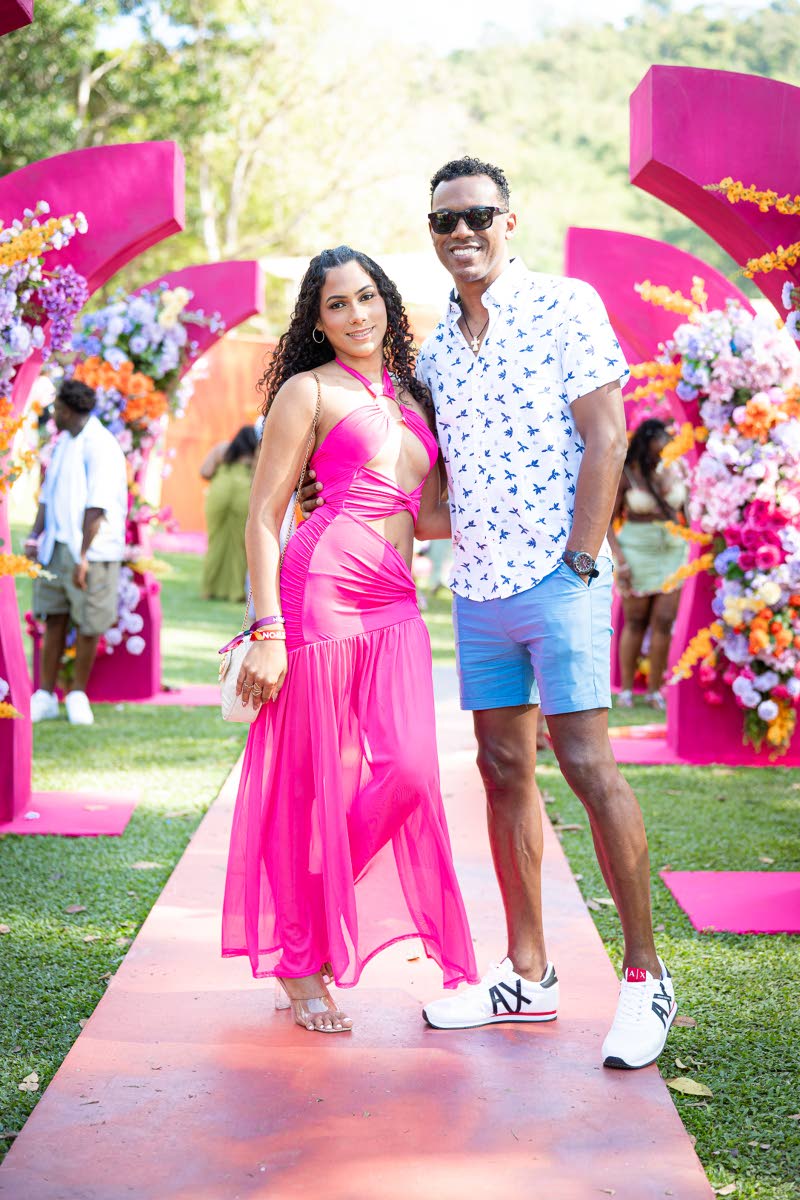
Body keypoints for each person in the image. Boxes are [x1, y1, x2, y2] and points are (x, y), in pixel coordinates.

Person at [301, 158, 676, 1069]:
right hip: (478, 589)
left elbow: (608, 436)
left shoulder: (566, 305)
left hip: (561, 581)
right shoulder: (431, 353)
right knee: (503, 768)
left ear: (511, 220)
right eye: (443, 222)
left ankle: (644, 980)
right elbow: (437, 485)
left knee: (586, 764)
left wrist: (584, 559)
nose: (460, 232)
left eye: (476, 215)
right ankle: (528, 975)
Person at [221, 246, 477, 1033]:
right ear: (318, 318)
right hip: (322, 590)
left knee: (408, 772)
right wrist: (268, 631)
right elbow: (266, 515)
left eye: (367, 298)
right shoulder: (309, 390)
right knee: (310, 778)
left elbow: (428, 515)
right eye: (338, 304)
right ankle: (301, 958)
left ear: (389, 304)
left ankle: (313, 893)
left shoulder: (413, 395)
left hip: (397, 600)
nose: (357, 315)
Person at [25, 378, 128, 726]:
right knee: (53, 617)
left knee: (88, 624)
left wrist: (83, 557)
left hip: (92, 551)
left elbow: (96, 508)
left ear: (66, 410)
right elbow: (46, 494)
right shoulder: (64, 442)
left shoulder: (101, 444)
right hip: (56, 546)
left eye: (55, 408)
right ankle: (44, 695)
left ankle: (77, 696)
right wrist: (34, 536)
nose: (52, 414)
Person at [607, 418, 689, 710]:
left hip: (672, 550)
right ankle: (627, 690)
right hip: (636, 550)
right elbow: (607, 520)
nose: (666, 444)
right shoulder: (627, 474)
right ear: (646, 441)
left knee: (665, 621)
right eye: (661, 438)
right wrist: (620, 557)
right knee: (636, 620)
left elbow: (688, 512)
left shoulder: (677, 469)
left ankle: (656, 689)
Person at [200, 424, 259, 602]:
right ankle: (235, 592)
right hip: (243, 495)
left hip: (220, 492)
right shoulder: (255, 455)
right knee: (240, 545)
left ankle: (208, 589)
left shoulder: (222, 450)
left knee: (215, 540)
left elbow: (205, 472)